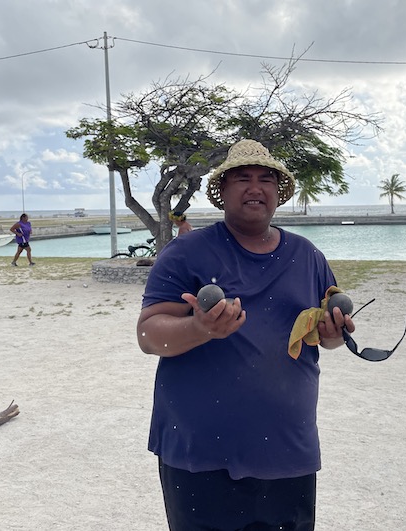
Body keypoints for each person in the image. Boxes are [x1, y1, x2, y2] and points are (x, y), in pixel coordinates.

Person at [137, 139, 354, 530]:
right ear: (223, 193)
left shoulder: (308, 256)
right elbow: (149, 335)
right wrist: (199, 327)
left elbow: (328, 339)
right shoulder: (186, 253)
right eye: (243, 179)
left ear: (277, 193)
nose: (255, 187)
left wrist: (333, 332)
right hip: (197, 453)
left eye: (265, 179)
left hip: (288, 450)